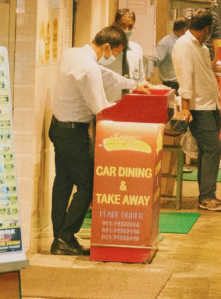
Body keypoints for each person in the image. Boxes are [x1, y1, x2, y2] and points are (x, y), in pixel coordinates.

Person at [50, 25, 149, 255]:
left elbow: (105, 76)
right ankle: (65, 237)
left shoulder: (73, 53)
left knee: (63, 182)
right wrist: (129, 110)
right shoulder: (88, 68)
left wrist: (133, 85)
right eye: (114, 53)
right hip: (73, 133)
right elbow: (101, 108)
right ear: (106, 47)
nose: (113, 57)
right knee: (87, 184)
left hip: (57, 127)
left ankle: (59, 238)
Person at [173, 9, 221, 211]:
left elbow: (204, 72)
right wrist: (186, 107)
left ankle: (207, 195)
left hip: (211, 104)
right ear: (206, 28)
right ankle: (207, 197)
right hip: (199, 108)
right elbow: (185, 76)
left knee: (208, 150)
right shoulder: (184, 46)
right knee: (213, 148)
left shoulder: (201, 48)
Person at [104, 8, 146, 99]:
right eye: (122, 25)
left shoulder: (137, 50)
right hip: (109, 105)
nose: (126, 30)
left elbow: (140, 81)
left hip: (132, 105)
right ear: (114, 25)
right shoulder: (105, 50)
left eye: (130, 26)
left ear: (134, 27)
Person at [147, 16, 188, 89]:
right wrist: (147, 77)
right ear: (184, 30)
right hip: (171, 85)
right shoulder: (165, 42)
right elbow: (152, 60)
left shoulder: (182, 43)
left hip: (182, 85)